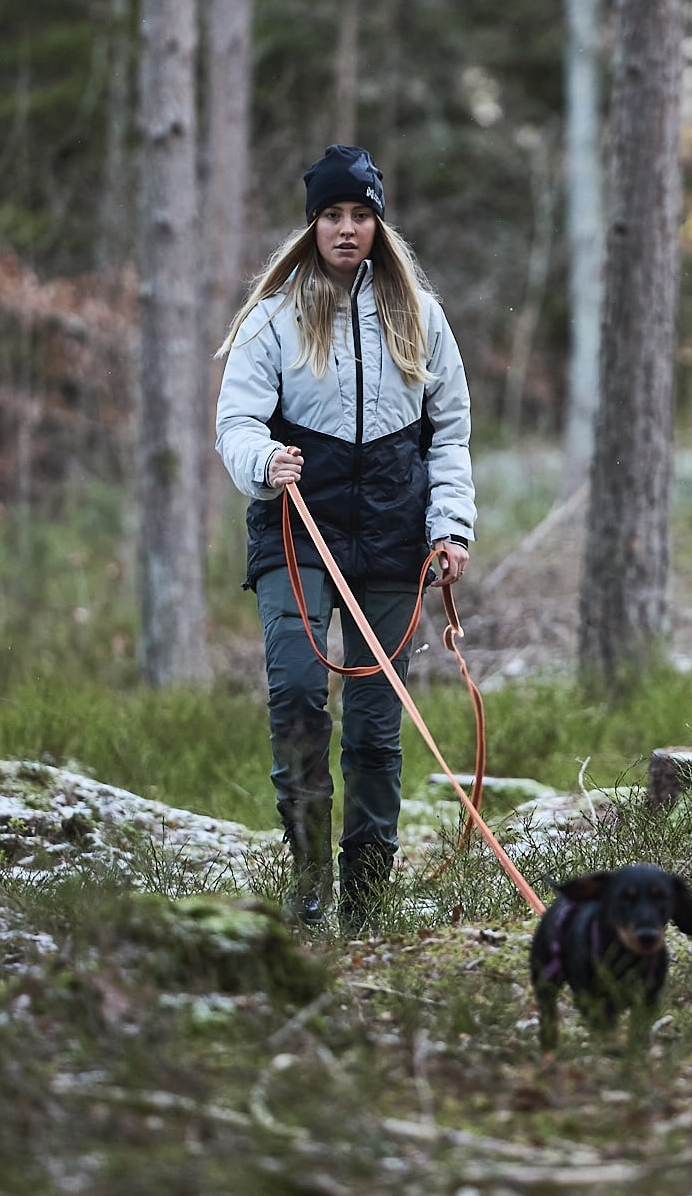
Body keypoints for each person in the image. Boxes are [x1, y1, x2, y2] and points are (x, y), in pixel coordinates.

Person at [215, 144, 476, 932]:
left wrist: (449, 527)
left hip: (396, 538)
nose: (346, 228)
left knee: (373, 724)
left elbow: (451, 432)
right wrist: (266, 459)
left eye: (361, 214)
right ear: (312, 222)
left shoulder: (420, 316)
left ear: (378, 223)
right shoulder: (274, 315)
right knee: (296, 694)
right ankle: (307, 882)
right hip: (297, 532)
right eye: (332, 213)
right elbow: (235, 423)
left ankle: (365, 898)